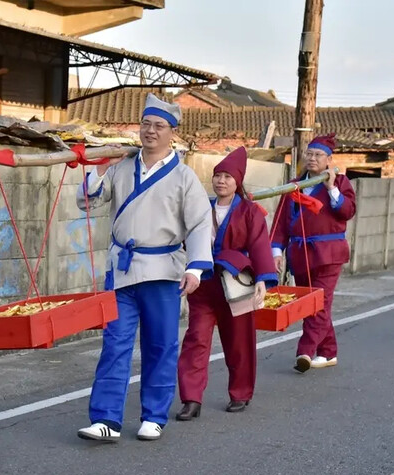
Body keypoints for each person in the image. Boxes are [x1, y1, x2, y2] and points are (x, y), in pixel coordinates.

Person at [75, 94, 213, 442]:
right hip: (122, 269)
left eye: (159, 126)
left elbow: (199, 224)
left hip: (163, 271)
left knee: (160, 344)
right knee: (115, 343)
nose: (151, 131)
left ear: (172, 133)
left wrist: (195, 268)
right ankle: (106, 418)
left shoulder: (184, 177)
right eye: (146, 124)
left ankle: (154, 413)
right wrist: (99, 170)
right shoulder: (122, 166)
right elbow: (87, 200)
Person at [176, 147, 278, 419]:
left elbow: (259, 246)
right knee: (196, 339)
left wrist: (263, 280)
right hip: (206, 285)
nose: (221, 181)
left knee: (239, 341)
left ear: (238, 182)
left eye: (227, 177)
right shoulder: (200, 207)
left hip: (238, 284)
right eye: (217, 176)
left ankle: (240, 393)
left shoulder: (250, 212)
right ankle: (191, 399)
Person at [271, 134, 356, 373]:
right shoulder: (294, 186)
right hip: (300, 255)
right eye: (309, 154)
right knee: (312, 305)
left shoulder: (340, 182)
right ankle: (328, 352)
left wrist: (331, 189)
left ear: (329, 159)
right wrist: (276, 251)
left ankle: (305, 351)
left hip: (329, 254)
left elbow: (347, 211)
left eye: (318, 155)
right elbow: (280, 223)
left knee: (320, 303)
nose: (312, 158)